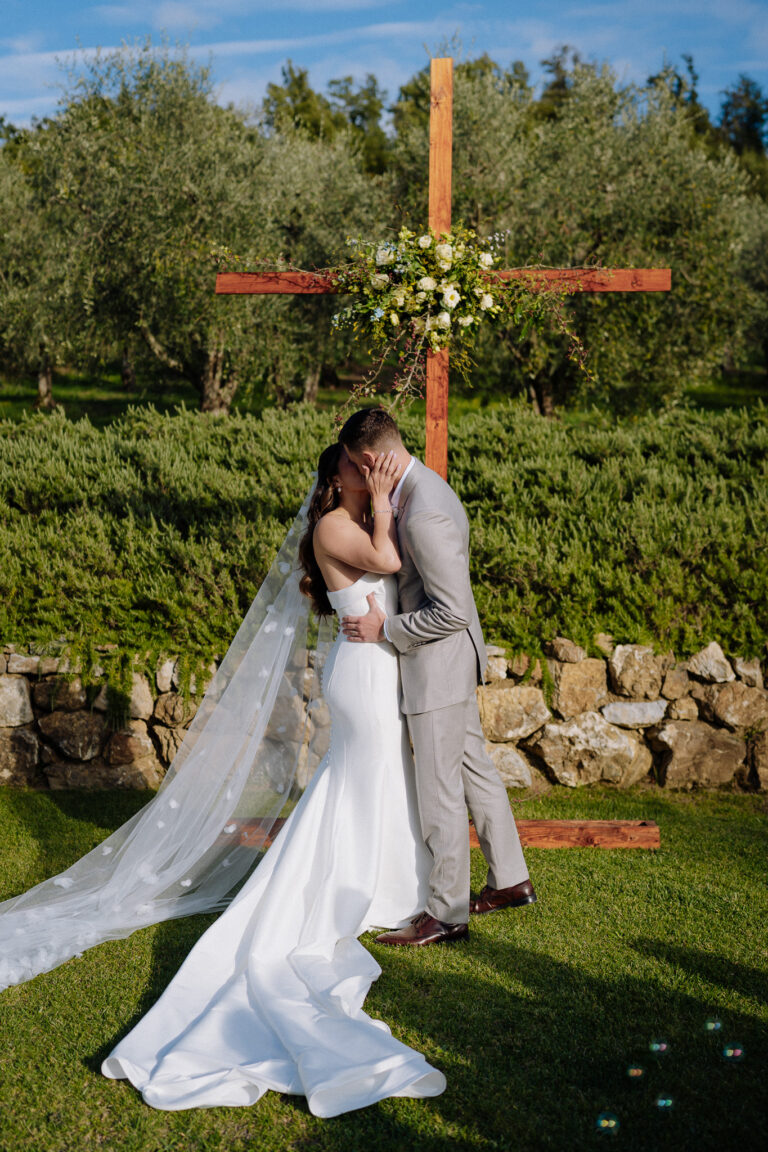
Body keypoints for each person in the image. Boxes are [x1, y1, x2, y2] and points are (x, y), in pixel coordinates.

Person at [98, 442, 447, 1115]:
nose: (365, 473)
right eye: (355, 466)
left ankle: (382, 885)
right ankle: (342, 896)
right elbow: (391, 562)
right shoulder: (331, 526)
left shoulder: (359, 513)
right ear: (335, 475)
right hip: (362, 676)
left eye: (369, 465)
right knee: (355, 785)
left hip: (378, 666)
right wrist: (380, 500)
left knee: (368, 789)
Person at [338, 408, 536, 946]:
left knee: (441, 790)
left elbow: (450, 609)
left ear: (373, 459)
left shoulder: (422, 512)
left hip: (438, 668)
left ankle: (446, 914)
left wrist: (386, 628)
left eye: (358, 465)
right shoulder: (424, 485)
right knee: (474, 772)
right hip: (450, 664)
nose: (356, 474)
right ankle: (512, 880)